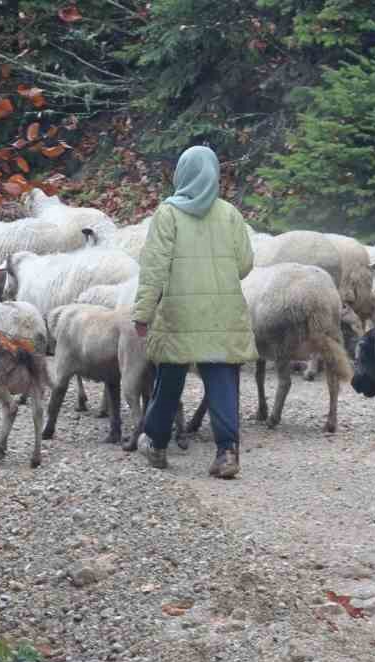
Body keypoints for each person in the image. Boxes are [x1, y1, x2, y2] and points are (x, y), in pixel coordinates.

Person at [131, 145, 256, 479]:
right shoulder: (229, 213)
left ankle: (156, 444)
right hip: (223, 312)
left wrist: (142, 313)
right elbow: (245, 265)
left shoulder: (167, 214)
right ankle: (227, 453)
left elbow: (154, 269)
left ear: (182, 174)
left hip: (179, 312)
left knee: (169, 378)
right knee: (222, 379)